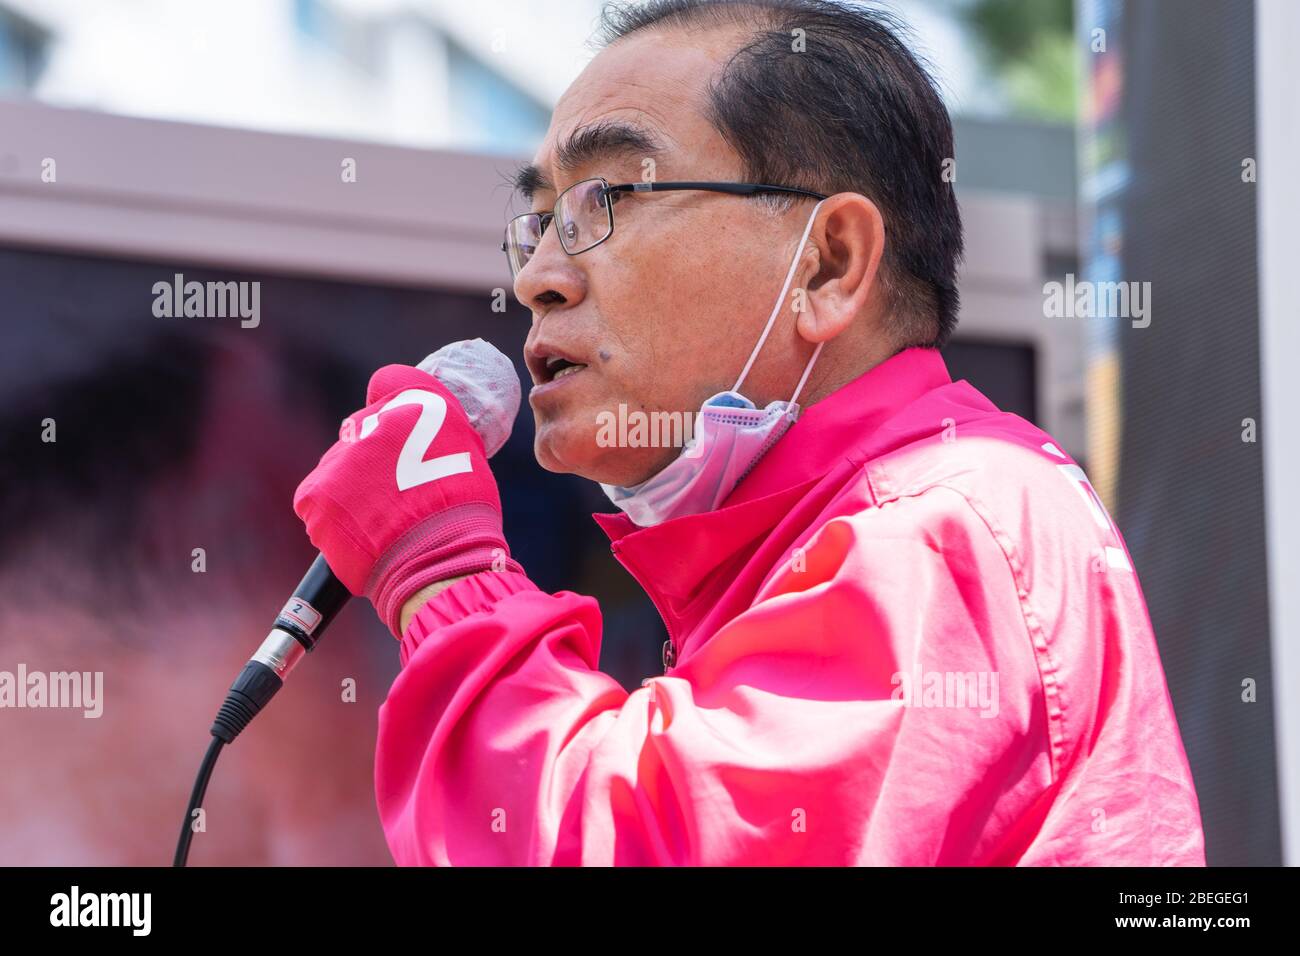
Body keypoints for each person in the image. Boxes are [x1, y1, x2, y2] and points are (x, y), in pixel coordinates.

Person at [293, 0, 1206, 865]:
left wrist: (441, 572)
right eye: (539, 220)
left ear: (830, 264)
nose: (538, 274)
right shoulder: (877, 525)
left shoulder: (943, 522)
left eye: (607, 198)